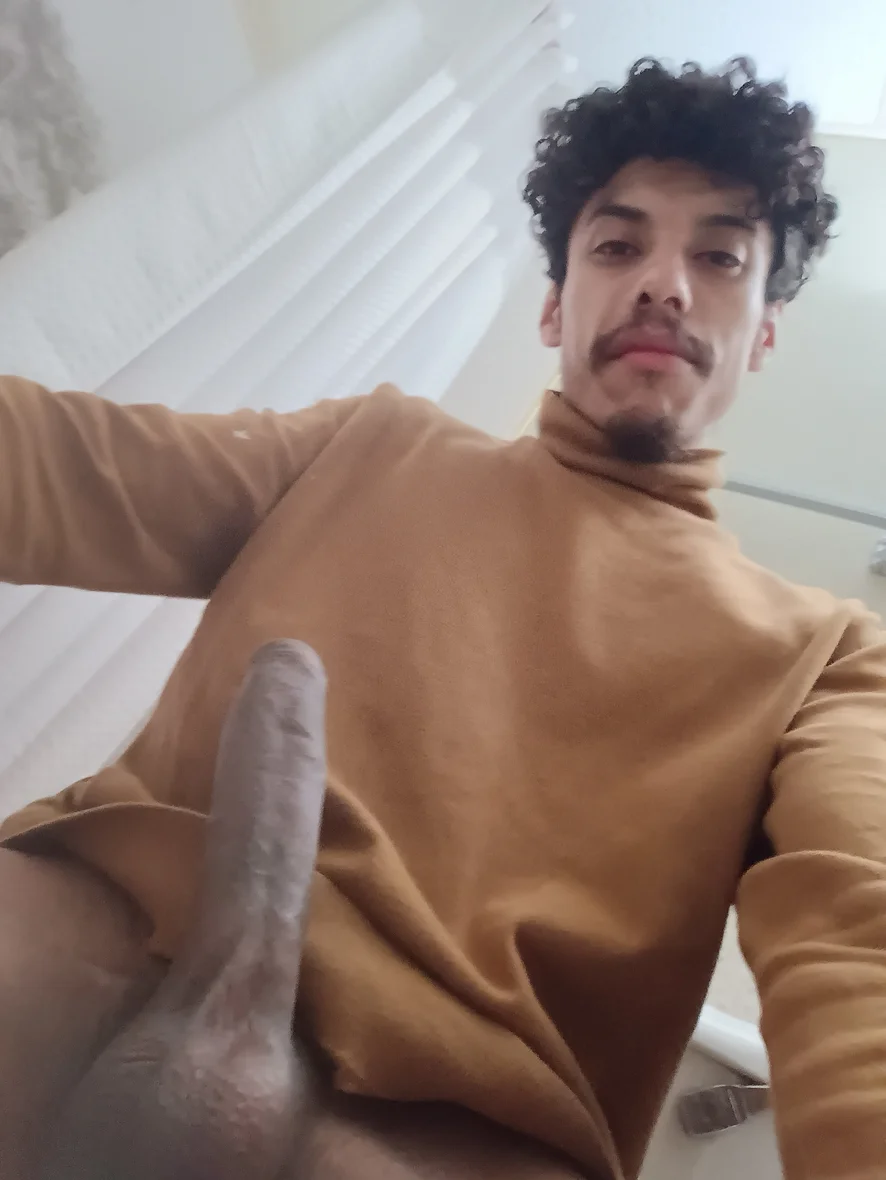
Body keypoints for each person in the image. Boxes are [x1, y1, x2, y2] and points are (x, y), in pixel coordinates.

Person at [1, 55, 883, 1180]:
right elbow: (64, 472)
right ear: (555, 305)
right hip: (79, 949)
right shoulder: (370, 447)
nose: (664, 282)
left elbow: (857, 937)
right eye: (617, 246)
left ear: (764, 331)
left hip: (445, 1138)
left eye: (719, 257)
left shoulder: (826, 654)